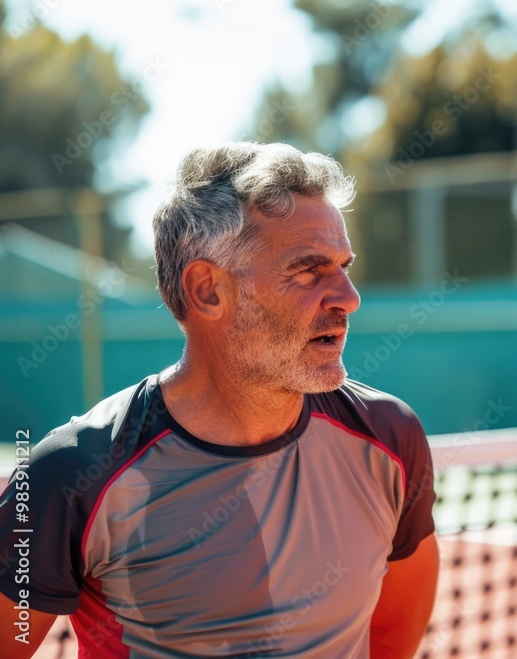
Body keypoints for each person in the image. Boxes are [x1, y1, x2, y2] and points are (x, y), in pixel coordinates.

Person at [0, 142, 439, 658]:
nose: (348, 296)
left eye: (344, 266)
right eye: (308, 269)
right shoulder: (64, 476)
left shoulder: (391, 437)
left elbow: (389, 640)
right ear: (208, 290)